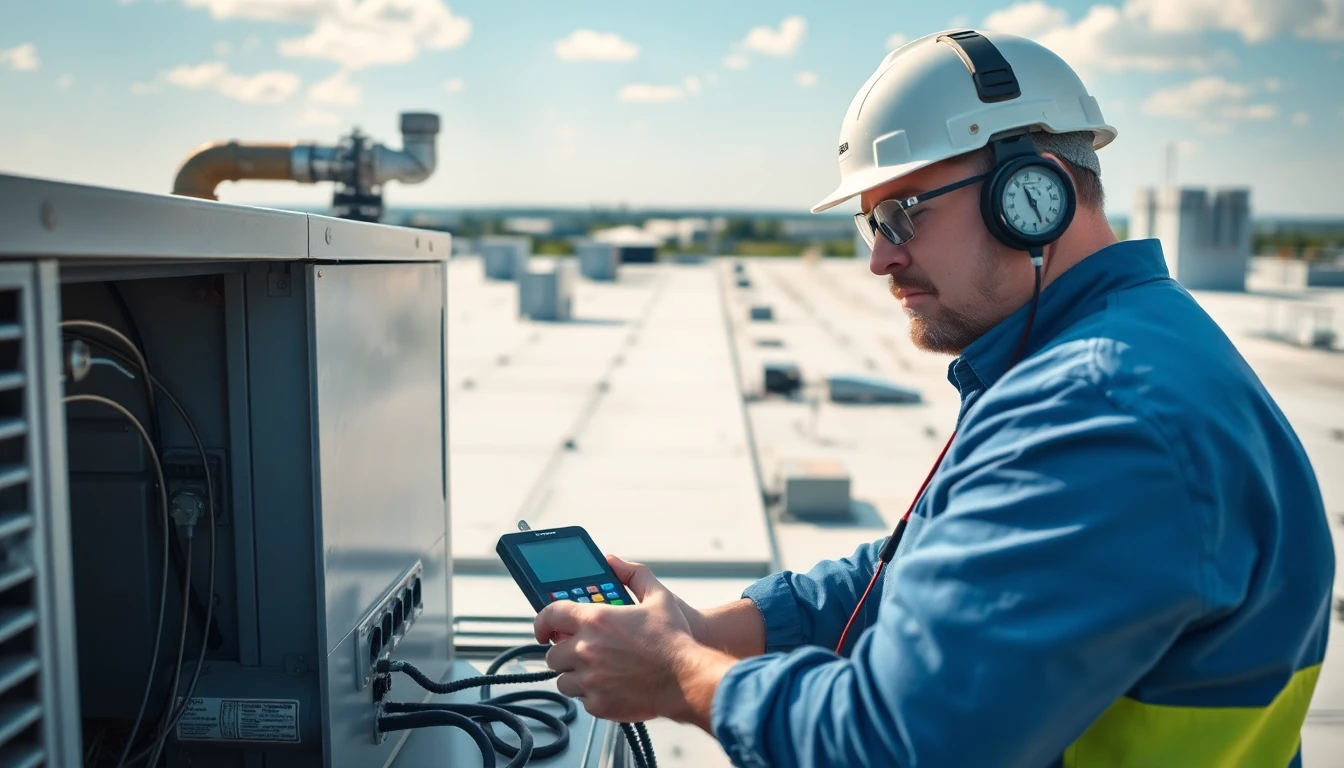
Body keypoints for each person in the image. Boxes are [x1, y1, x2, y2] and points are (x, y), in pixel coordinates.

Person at [535, 28, 1335, 767]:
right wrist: (712, 631)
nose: (881, 259)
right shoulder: (1122, 340)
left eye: (903, 213)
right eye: (870, 223)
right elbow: (935, 572)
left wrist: (681, 676)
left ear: (1035, 195)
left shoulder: (1099, 410)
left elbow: (896, 744)